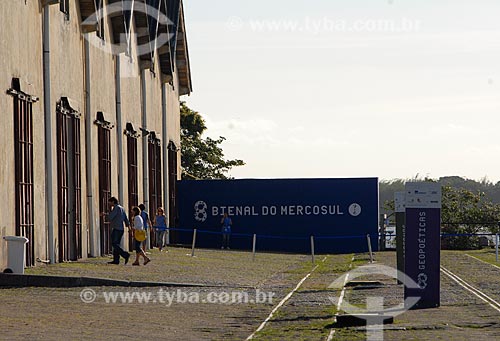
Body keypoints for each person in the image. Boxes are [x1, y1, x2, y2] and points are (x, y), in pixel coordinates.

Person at [104, 197, 130, 265]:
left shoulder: (116, 208)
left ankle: (125, 254)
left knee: (114, 244)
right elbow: (125, 218)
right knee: (116, 244)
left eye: (109, 202)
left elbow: (111, 217)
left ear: (113, 202)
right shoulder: (122, 208)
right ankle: (116, 260)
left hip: (116, 228)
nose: (109, 203)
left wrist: (105, 215)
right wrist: (128, 225)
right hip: (121, 228)